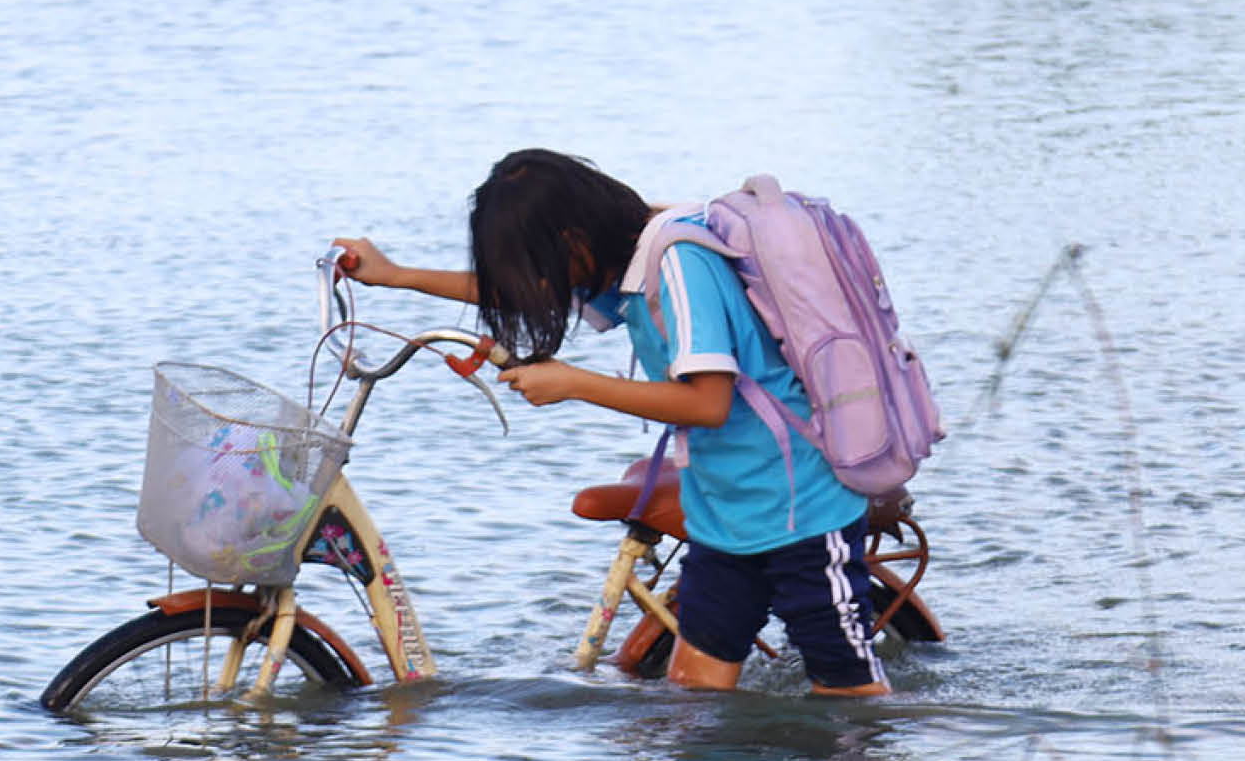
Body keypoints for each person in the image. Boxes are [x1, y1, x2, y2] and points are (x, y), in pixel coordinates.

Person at [335, 147, 889, 698]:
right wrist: (396, 276)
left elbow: (708, 404)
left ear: (573, 242)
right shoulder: (627, 260)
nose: (538, 280)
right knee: (695, 697)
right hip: (725, 514)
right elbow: (518, 289)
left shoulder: (678, 265)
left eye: (540, 262)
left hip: (800, 509)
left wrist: (572, 382)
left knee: (851, 695)